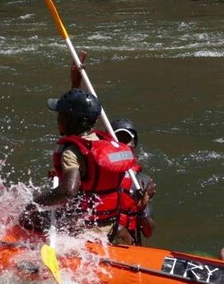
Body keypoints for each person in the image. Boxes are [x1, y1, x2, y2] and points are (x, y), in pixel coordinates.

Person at [19, 89, 139, 243]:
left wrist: (34, 204)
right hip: (110, 223)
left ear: (70, 120)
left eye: (60, 115)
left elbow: (68, 191)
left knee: (26, 217)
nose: (57, 119)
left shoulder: (72, 152)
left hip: (82, 227)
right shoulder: (105, 143)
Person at [111, 117, 157, 245]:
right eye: (118, 139)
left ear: (134, 143)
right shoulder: (97, 174)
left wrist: (141, 209)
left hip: (129, 245)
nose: (122, 145)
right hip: (101, 239)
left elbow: (148, 232)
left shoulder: (142, 181)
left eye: (127, 140)